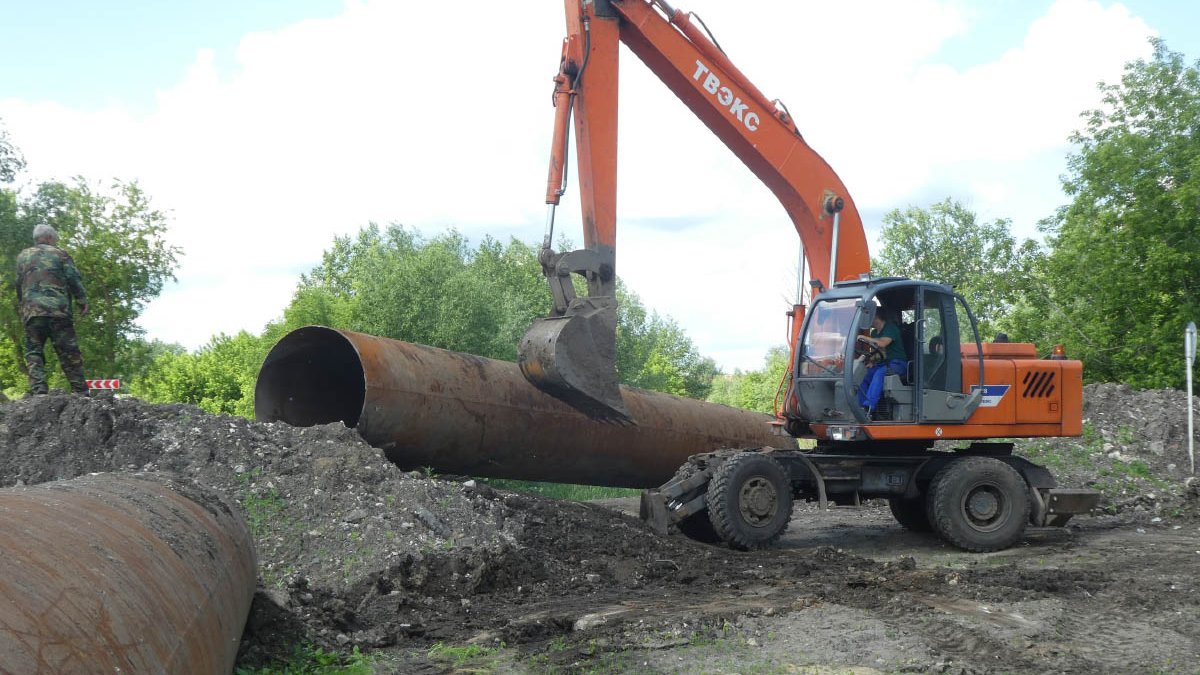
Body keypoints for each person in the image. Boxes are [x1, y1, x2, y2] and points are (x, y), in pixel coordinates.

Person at [16, 224, 89, 395]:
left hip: (32, 313)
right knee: (69, 352)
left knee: (34, 352)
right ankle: (81, 392)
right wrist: (82, 300)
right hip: (58, 311)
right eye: (54, 239)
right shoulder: (60, 254)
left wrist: (23, 307)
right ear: (49, 238)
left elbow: (19, 284)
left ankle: (39, 392)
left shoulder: (22, 257)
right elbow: (73, 279)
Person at [856, 309, 907, 416]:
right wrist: (872, 361)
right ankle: (859, 407)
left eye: (869, 317)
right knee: (863, 375)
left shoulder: (890, 328)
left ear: (876, 317)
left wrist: (864, 337)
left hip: (898, 363)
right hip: (882, 364)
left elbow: (882, 344)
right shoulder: (874, 332)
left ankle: (868, 407)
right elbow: (879, 352)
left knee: (880, 373)